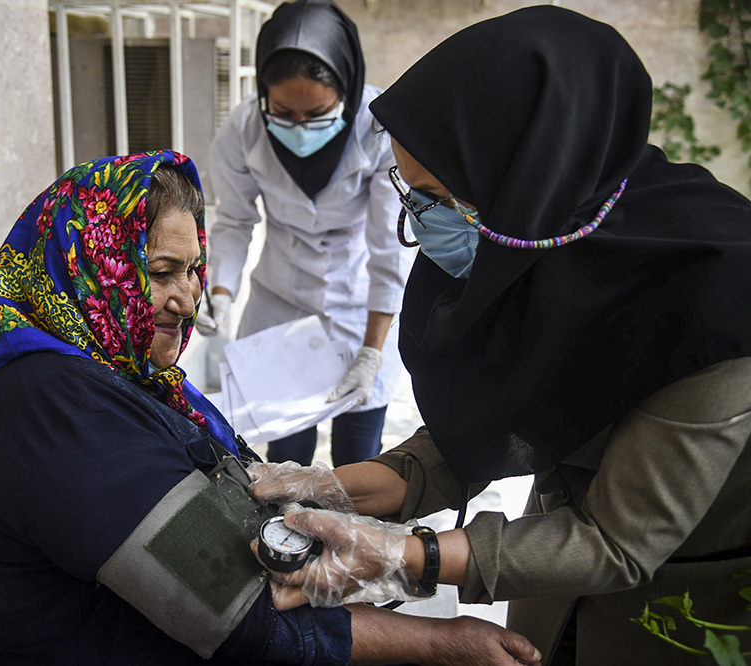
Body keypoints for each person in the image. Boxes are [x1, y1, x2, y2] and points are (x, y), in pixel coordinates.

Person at [248, 6, 751, 666]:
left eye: (436, 196)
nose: (418, 220)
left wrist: (404, 555)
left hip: (683, 606)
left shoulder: (718, 294)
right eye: (408, 190)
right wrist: (349, 487)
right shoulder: (534, 242)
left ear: (526, 177)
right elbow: (492, 418)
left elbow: (617, 542)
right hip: (552, 579)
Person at [0, 150, 541, 665]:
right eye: (161, 272)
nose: (185, 299)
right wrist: (443, 642)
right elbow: (246, 621)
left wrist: (354, 528)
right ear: (89, 269)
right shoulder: (55, 407)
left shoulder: (119, 380)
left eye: (194, 270)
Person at [196, 0, 411, 467]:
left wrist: (372, 352)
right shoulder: (244, 129)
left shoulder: (378, 128)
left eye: (316, 112)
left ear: (345, 90)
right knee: (285, 453)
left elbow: (389, 247)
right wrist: (221, 291)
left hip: (362, 304)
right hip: (281, 302)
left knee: (359, 455)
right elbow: (234, 220)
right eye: (283, 111)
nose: (298, 127)